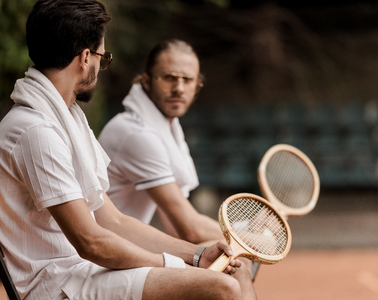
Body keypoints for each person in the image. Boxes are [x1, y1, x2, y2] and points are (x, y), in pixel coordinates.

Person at [0, 1, 257, 299]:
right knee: (222, 287)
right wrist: (174, 265)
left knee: (234, 270)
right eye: (103, 56)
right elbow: (91, 242)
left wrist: (197, 254)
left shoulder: (60, 120)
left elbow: (114, 222)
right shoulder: (37, 131)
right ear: (85, 57)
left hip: (76, 273)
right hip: (53, 285)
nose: (101, 66)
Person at [98, 39, 259, 278]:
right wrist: (248, 237)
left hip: (124, 247)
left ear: (197, 86)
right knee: (237, 267)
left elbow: (178, 230)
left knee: (232, 262)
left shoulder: (167, 131)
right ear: (146, 80)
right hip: (102, 257)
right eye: (169, 78)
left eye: (187, 80)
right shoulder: (137, 133)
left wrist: (242, 235)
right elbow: (189, 228)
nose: (179, 88)